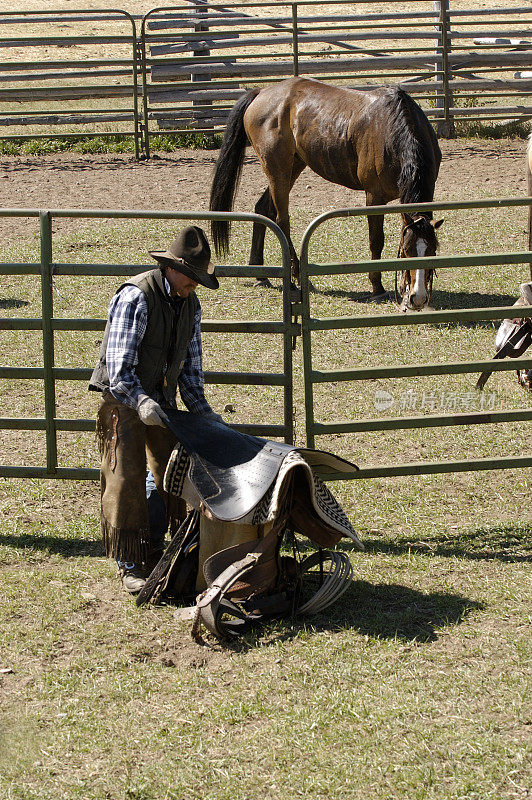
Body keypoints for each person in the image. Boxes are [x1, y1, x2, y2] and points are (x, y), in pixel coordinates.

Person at [89, 225, 222, 593]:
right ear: (172, 269)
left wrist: (202, 411)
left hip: (159, 402)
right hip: (123, 400)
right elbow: (118, 371)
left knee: (169, 475)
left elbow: (190, 370)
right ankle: (129, 561)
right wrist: (142, 401)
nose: (194, 285)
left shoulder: (190, 305)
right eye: (192, 278)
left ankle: (157, 547)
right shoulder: (136, 297)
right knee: (126, 476)